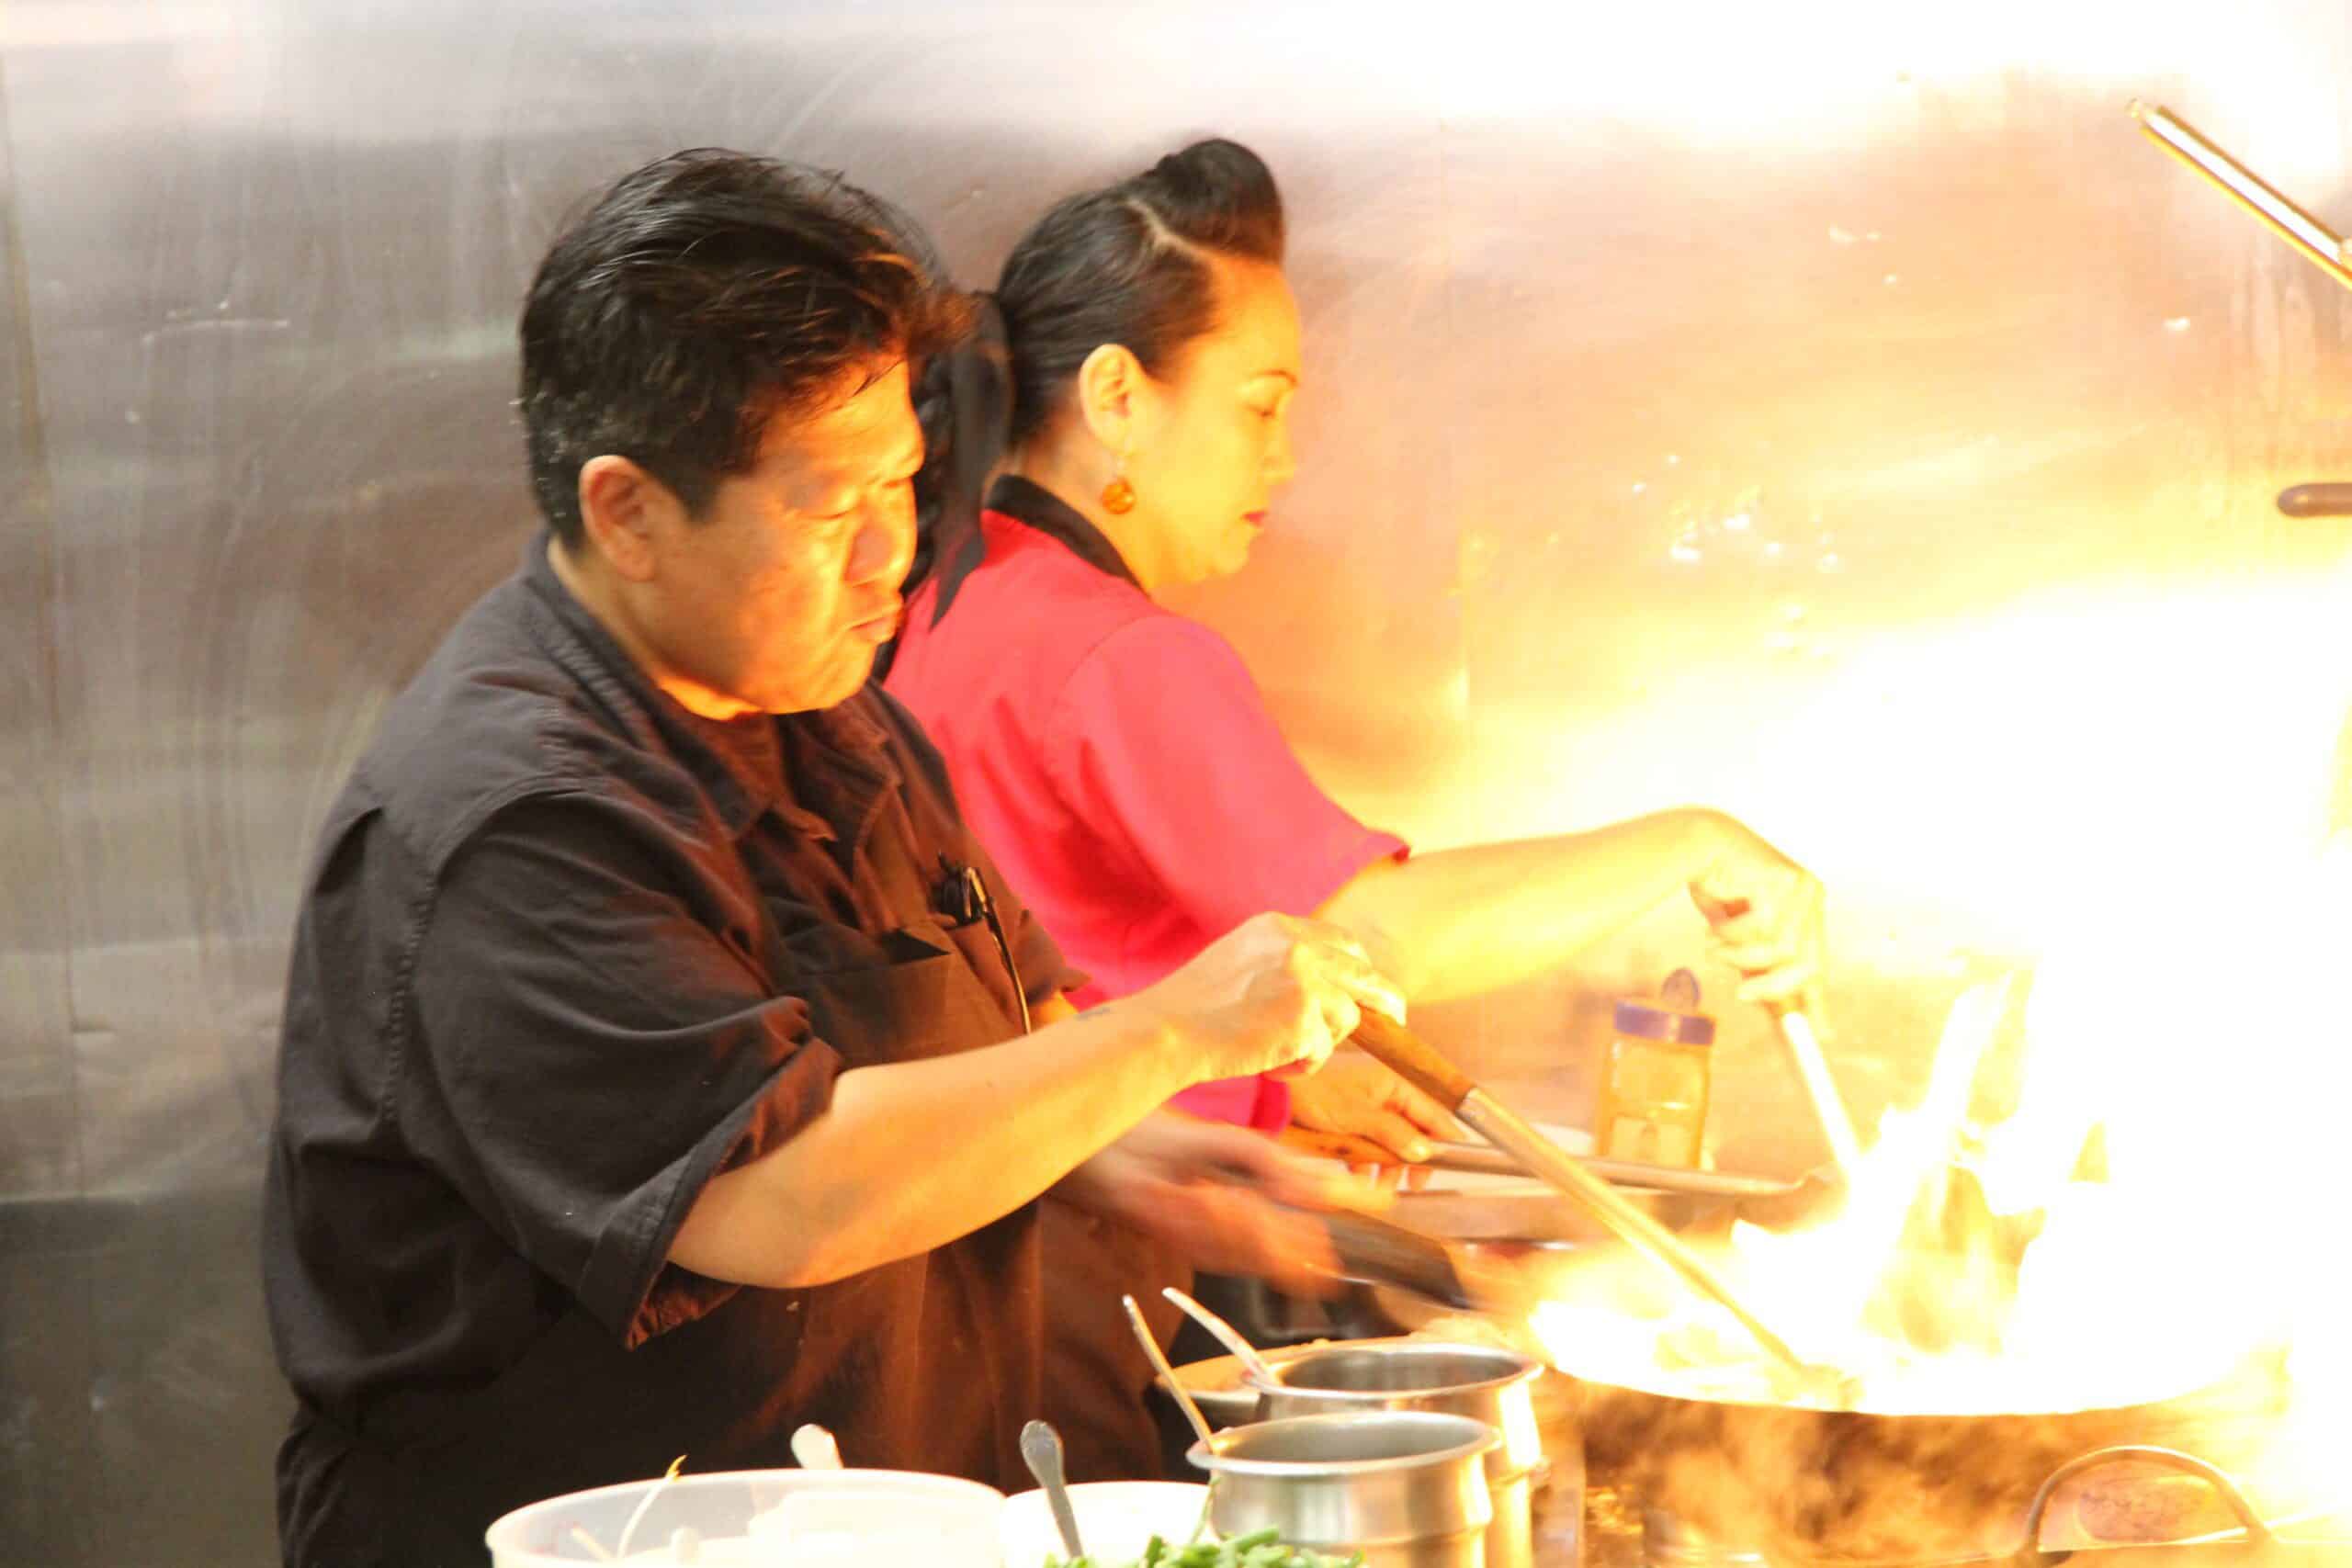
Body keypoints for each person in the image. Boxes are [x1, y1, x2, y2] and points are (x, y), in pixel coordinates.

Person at [258, 148, 1402, 1568]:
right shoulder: (516, 819)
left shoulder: (823, 702)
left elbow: (975, 1019)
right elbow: (781, 1193)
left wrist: (1131, 1154)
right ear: (628, 512)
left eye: (908, 484)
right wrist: (1180, 1029)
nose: (891, 556)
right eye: (826, 509)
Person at [880, 138, 1829, 1478]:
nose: (1286, 452)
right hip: (1093, 1289)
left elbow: (1047, 975)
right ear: (1117, 398)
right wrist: (1692, 842)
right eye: (1262, 405)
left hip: (967, 1277)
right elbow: (1368, 938)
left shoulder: (946, 601)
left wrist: (1272, 1088)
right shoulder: (1117, 654)